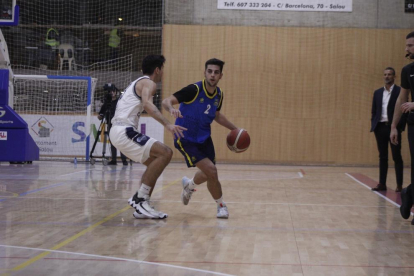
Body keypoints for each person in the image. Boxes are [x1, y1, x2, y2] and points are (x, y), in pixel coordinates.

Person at [109, 55, 186, 219]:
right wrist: (168, 124)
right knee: (165, 152)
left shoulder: (138, 82)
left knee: (154, 165)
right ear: (157, 70)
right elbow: (147, 104)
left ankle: (142, 206)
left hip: (119, 131)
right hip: (123, 130)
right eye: (162, 69)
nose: (163, 73)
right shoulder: (149, 83)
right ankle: (140, 199)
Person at [162, 58, 239, 219]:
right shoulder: (194, 89)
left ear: (221, 76)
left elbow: (216, 115)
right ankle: (221, 205)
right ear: (204, 72)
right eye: (209, 71)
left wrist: (234, 129)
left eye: (216, 72)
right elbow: (166, 101)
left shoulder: (219, 94)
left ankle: (189, 186)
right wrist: (171, 109)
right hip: (185, 137)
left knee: (207, 173)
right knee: (212, 171)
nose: (212, 75)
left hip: (204, 137)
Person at [391, 31, 414, 224]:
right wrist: (393, 126)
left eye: (410, 45)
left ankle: (409, 192)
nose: (406, 49)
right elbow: (402, 98)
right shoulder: (408, 70)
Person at [371, 67, 406, 192]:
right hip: (380, 127)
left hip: (393, 128)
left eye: (389, 74)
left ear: (394, 77)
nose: (387, 76)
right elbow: (374, 111)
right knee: (383, 156)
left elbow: (403, 110)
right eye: (385, 74)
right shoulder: (378, 92)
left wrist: (398, 127)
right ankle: (382, 184)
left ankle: (399, 185)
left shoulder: (400, 91)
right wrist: (374, 124)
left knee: (396, 156)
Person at [98, 83, 128, 166]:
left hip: (120, 124)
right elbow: (100, 116)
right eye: (110, 91)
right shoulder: (107, 103)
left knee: (121, 142)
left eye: (113, 91)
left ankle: (124, 160)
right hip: (110, 124)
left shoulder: (120, 102)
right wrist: (101, 114)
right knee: (113, 142)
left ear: (116, 92)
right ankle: (114, 160)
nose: (111, 93)